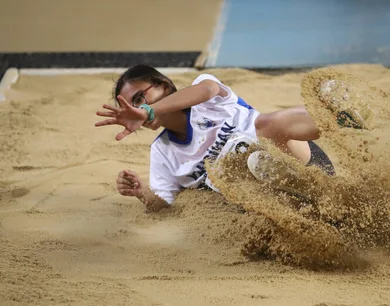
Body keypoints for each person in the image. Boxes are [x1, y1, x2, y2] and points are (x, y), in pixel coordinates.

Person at [95, 65, 369, 212]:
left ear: (164, 85)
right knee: (230, 168)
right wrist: (141, 193)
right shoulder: (163, 152)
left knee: (263, 126)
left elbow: (208, 89)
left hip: (306, 164)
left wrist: (149, 110)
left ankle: (339, 116)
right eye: (130, 106)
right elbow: (163, 204)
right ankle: (280, 183)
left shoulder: (205, 92)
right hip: (264, 204)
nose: (137, 108)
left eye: (141, 98)